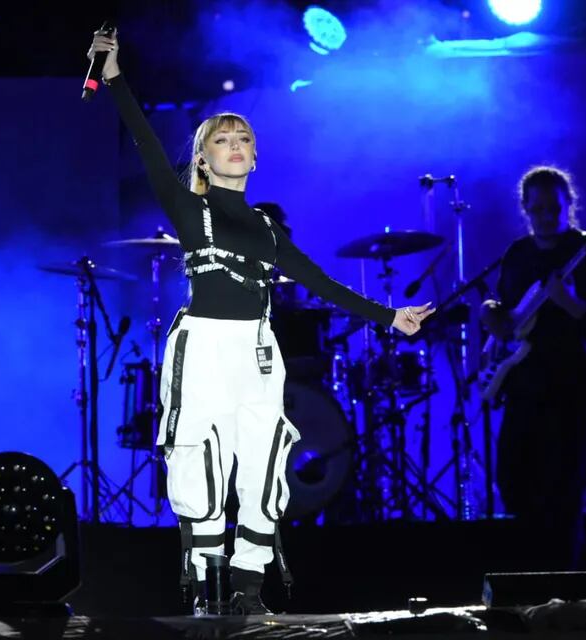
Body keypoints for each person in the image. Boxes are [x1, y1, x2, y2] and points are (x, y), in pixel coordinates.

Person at [88, 30, 433, 614]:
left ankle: (247, 592)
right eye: (222, 139)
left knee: (265, 466)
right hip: (203, 348)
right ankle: (205, 590)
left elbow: (323, 283)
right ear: (202, 158)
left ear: (255, 154)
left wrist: (389, 316)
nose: (236, 144)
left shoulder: (270, 233)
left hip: (257, 350)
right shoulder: (190, 209)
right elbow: (147, 143)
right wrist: (114, 75)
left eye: (243, 137)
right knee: (198, 464)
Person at [480, 166, 586, 570]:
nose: (546, 216)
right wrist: (490, 311)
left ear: (569, 207)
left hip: (573, 387)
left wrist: (572, 304)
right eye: (537, 208)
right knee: (513, 478)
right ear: (525, 209)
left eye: (554, 208)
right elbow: (506, 311)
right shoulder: (518, 254)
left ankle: (564, 590)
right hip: (524, 385)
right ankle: (541, 578)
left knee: (562, 491)